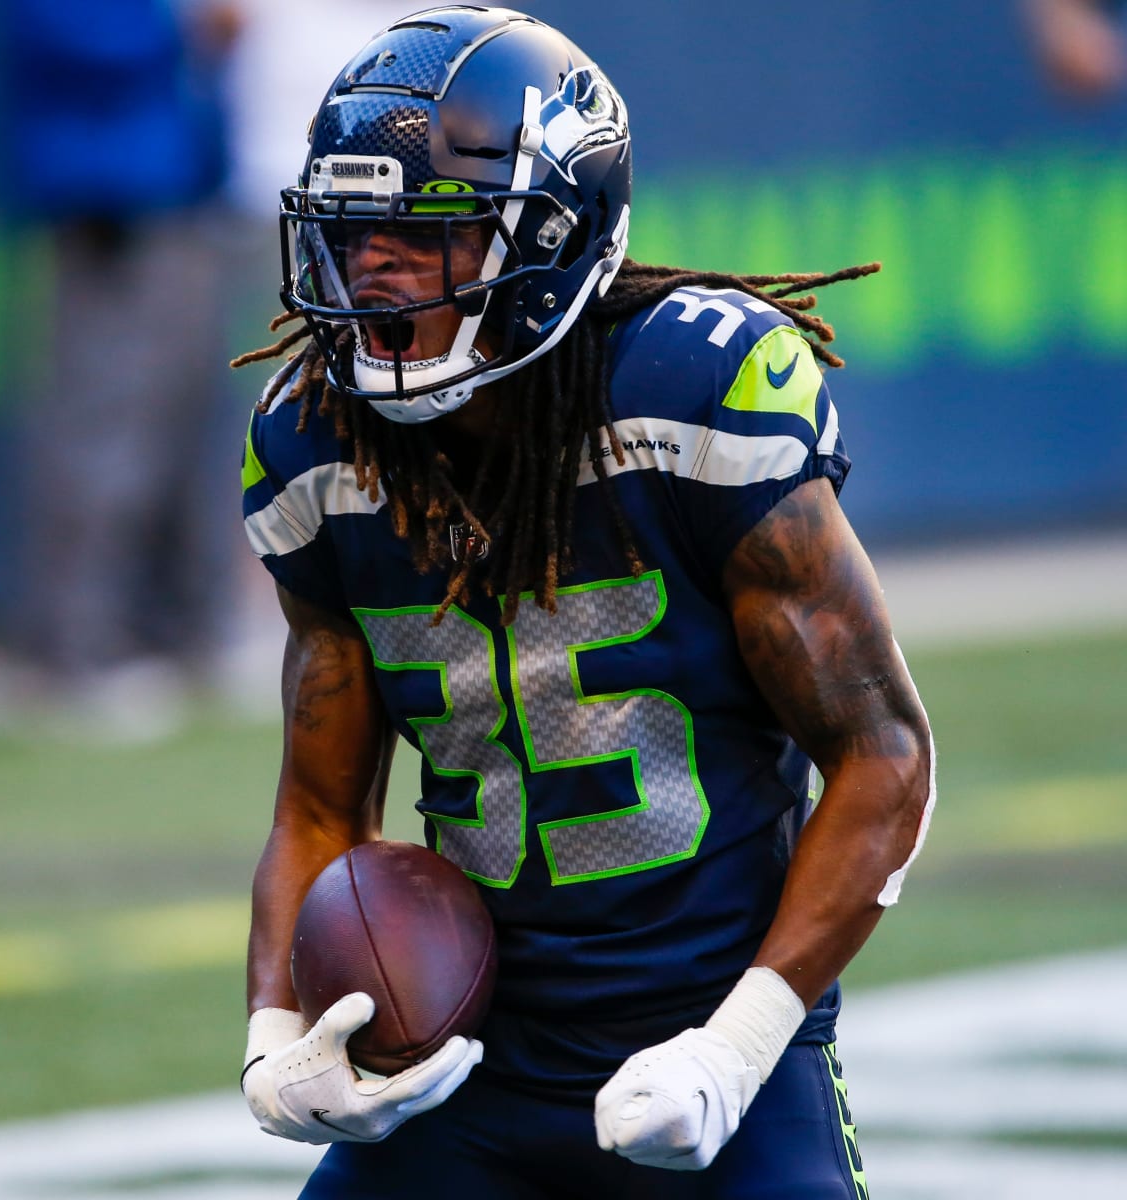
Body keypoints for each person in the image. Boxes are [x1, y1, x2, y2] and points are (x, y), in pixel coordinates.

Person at [235, 7, 935, 1197]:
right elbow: (319, 803)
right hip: (466, 1057)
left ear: (552, 240)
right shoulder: (314, 445)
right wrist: (270, 1036)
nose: (370, 271)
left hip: (709, 1039)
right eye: (352, 235)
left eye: (419, 233)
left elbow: (884, 756)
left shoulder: (697, 393)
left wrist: (739, 1045)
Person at [4, 0, 244, 733]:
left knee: (186, 422)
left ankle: (171, 636)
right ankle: (78, 652)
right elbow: (67, 33)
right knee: (103, 430)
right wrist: (189, 25)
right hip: (107, 195)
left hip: (179, 189)